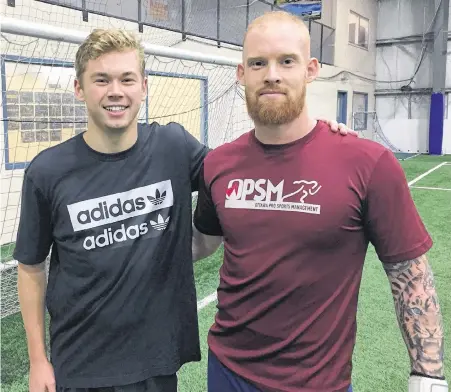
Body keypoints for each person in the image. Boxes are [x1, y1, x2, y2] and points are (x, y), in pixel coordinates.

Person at [13, 27, 354, 392]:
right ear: (79, 89)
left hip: (158, 361)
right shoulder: (47, 172)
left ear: (144, 87)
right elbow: (31, 268)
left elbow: (242, 167)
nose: (116, 91)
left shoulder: (172, 146)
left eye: (127, 79)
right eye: (101, 79)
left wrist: (314, 136)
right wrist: (38, 359)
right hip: (81, 365)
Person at [192, 10, 447, 392]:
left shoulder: (368, 163)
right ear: (242, 74)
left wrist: (428, 372)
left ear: (310, 69)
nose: (272, 74)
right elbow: (203, 242)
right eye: (258, 63)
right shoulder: (219, 163)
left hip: (316, 382)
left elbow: (410, 273)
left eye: (286, 61)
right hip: (228, 370)